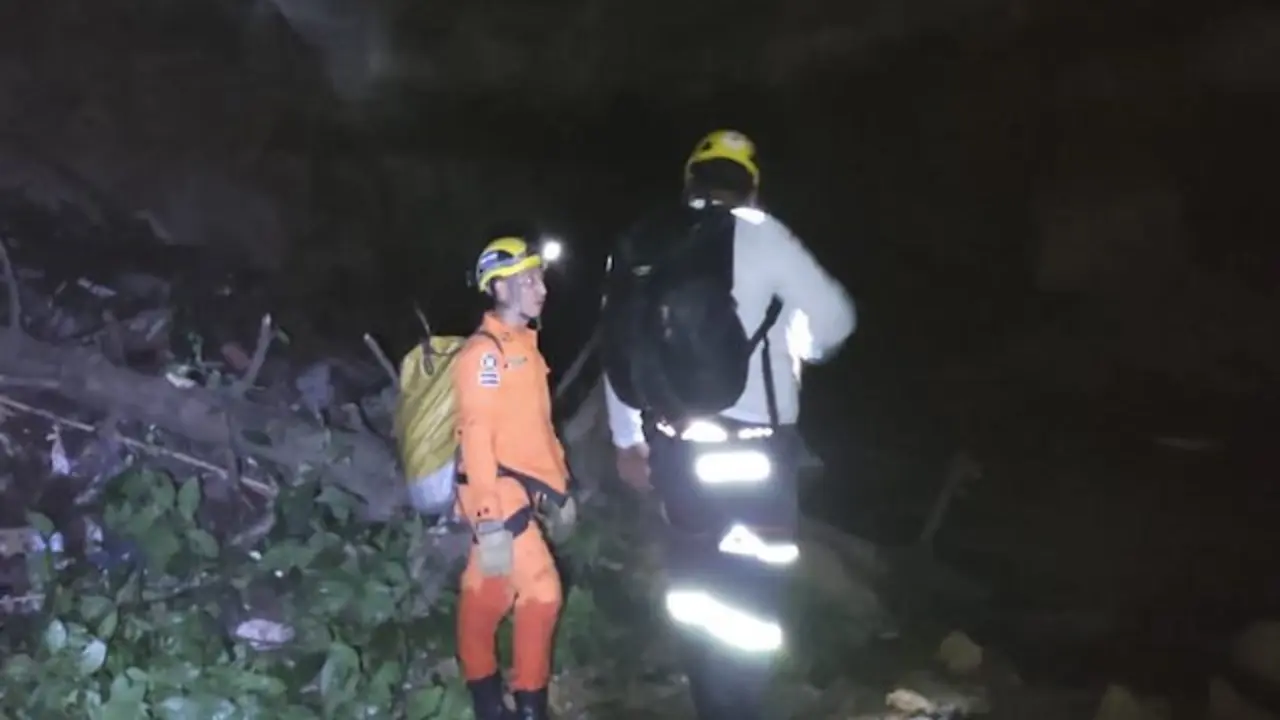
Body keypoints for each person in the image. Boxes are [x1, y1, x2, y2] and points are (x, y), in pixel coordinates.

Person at [601, 129, 856, 719]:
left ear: (690, 180)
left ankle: (710, 704)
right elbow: (837, 320)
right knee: (751, 607)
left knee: (696, 593)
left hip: (675, 452)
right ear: (752, 187)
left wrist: (627, 440)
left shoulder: (646, 238)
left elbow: (622, 347)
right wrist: (800, 341)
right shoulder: (762, 234)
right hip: (754, 458)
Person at [454, 235, 577, 720]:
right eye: (527, 280)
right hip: (496, 492)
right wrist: (488, 518)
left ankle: (487, 702)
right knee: (543, 592)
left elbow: (539, 430)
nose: (541, 288)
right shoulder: (484, 355)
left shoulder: (526, 346)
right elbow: (476, 435)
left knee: (489, 594)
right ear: (499, 287)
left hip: (522, 488)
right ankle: (530, 708)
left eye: (540, 278)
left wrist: (560, 488)